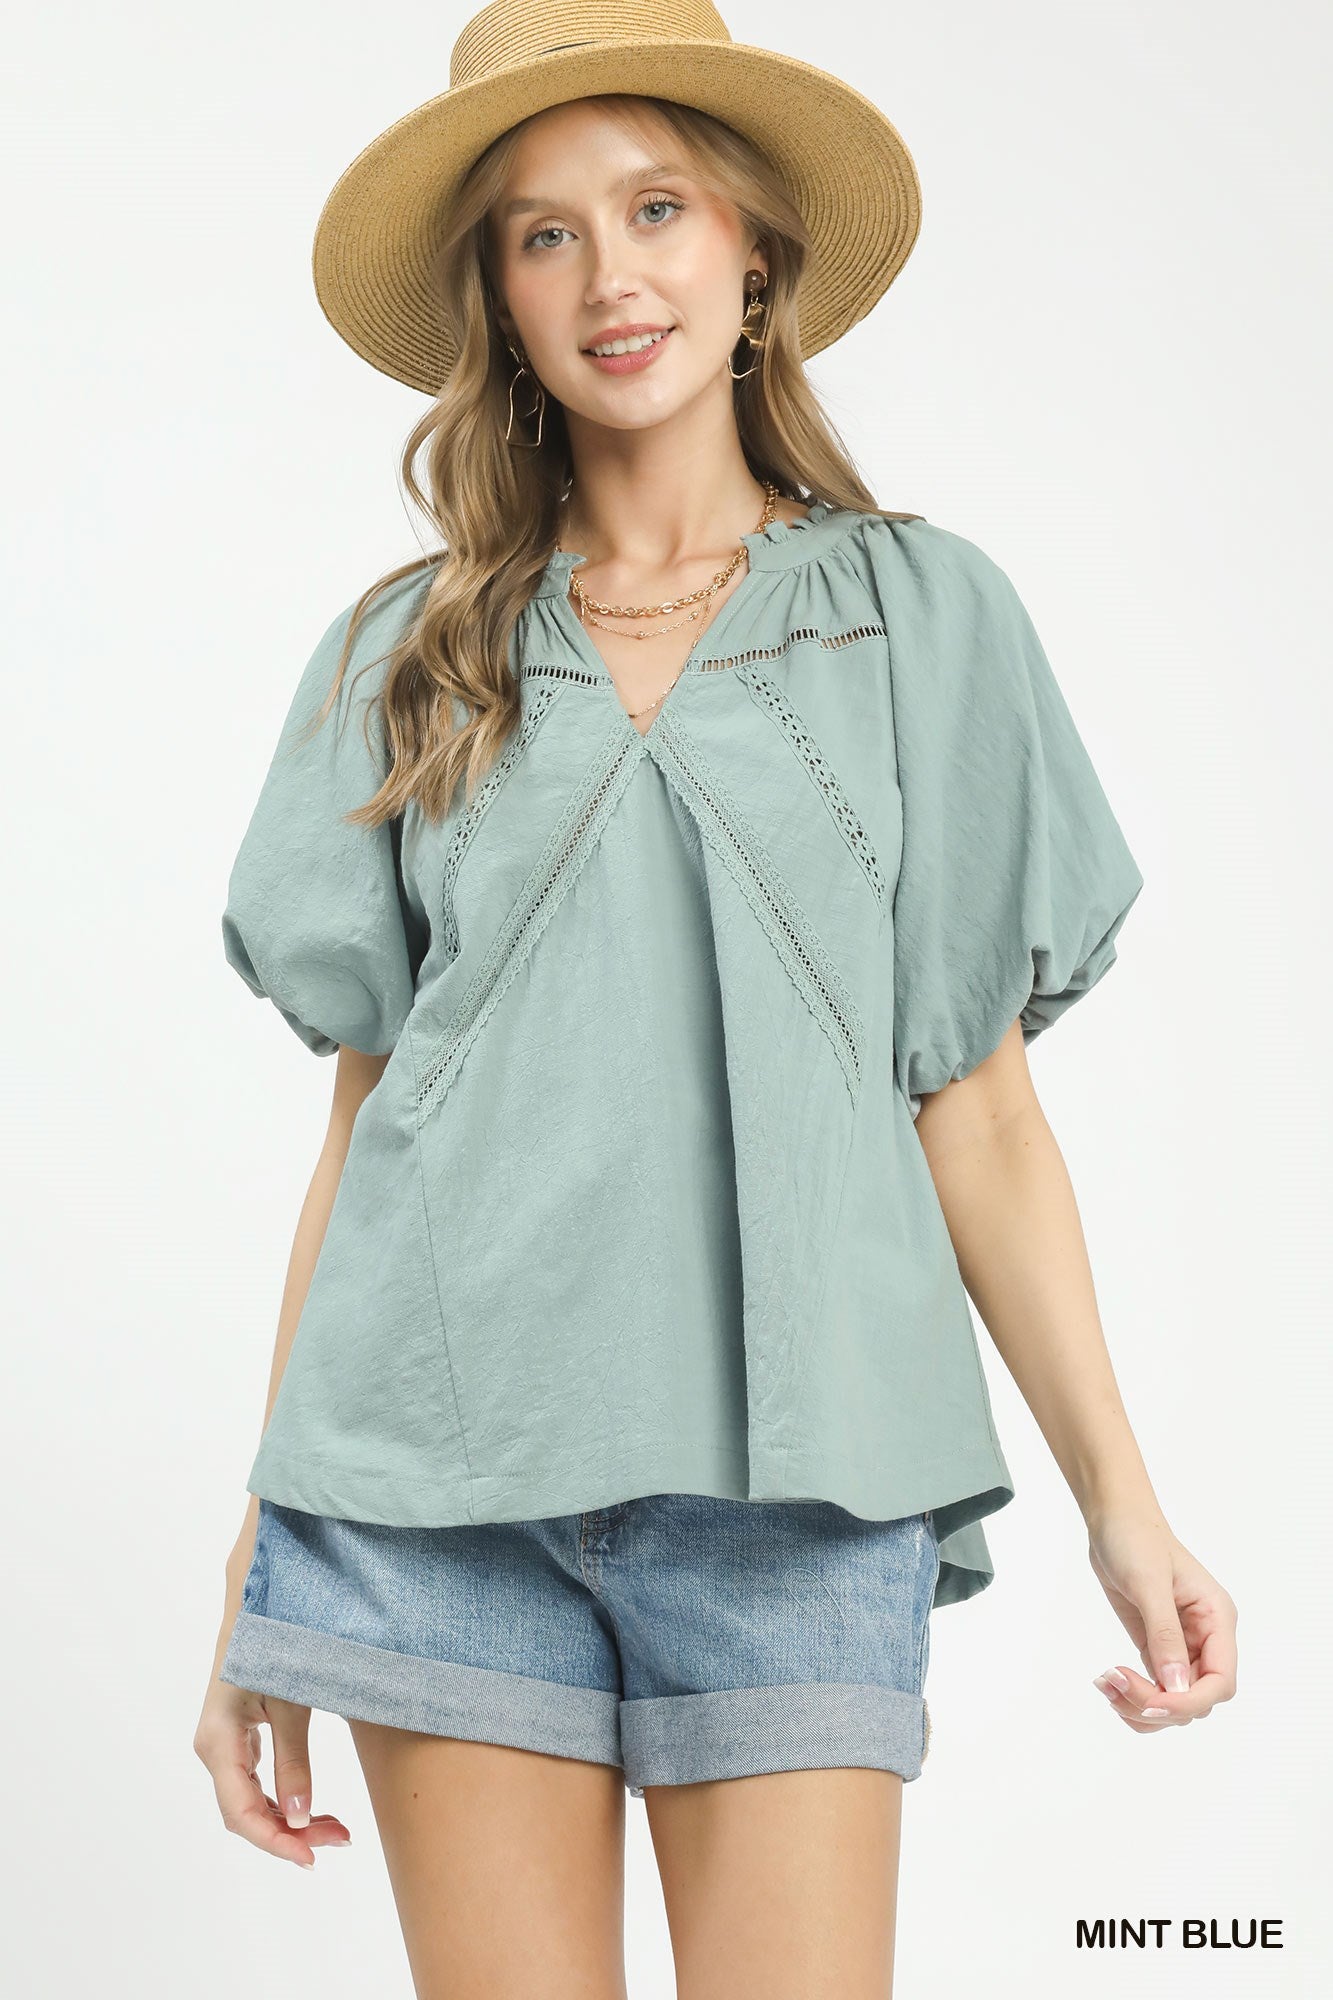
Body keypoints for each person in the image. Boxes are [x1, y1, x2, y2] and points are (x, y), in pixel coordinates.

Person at [194, 3, 1238, 1994]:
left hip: (803, 1488)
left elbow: (977, 1107)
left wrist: (1125, 1506)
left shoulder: (924, 620)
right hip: (430, 1498)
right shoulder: (406, 657)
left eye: (656, 206)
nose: (610, 272)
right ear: (499, 303)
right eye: (544, 232)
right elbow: (371, 1118)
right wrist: (264, 1547)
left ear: (753, 253)